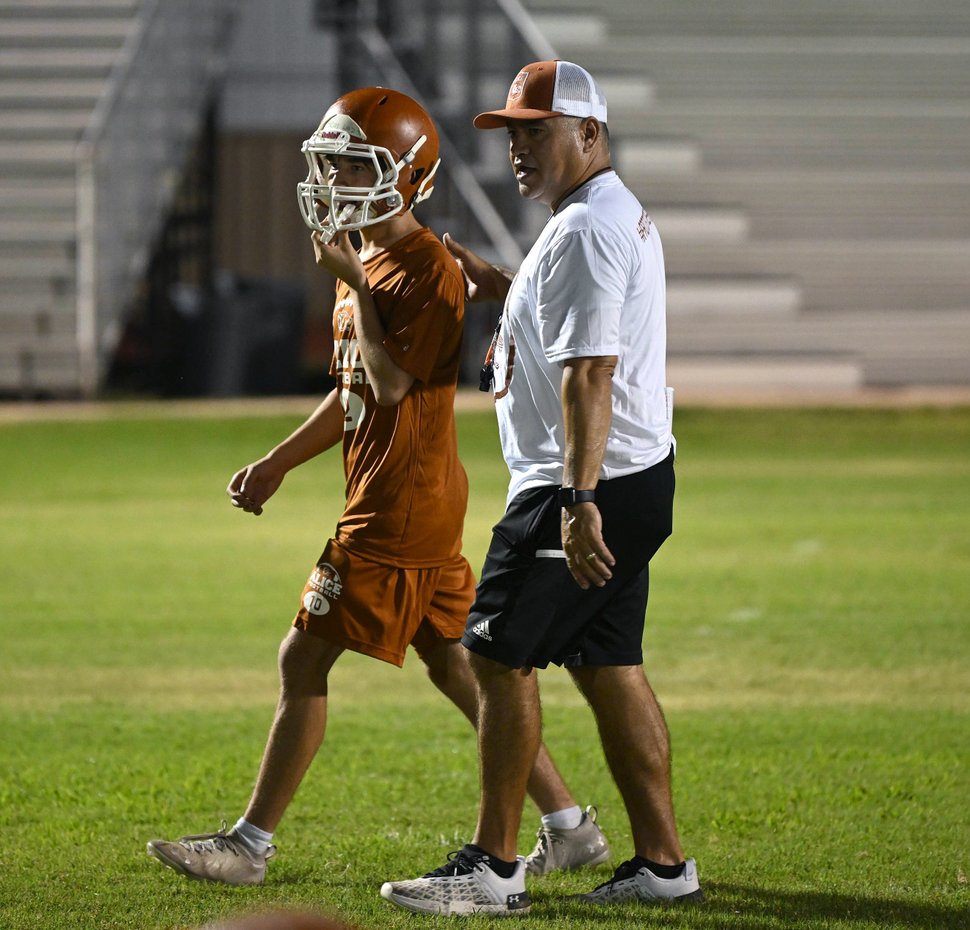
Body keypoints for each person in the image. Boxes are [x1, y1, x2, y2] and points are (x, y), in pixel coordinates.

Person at [146, 87, 607, 886]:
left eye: (354, 162)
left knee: (302, 662)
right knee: (463, 669)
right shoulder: (365, 253)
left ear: (407, 175)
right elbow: (354, 388)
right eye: (328, 161)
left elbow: (392, 386)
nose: (333, 176)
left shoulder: (419, 265)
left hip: (399, 507)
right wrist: (281, 460)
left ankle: (248, 846)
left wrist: (358, 285)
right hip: (410, 498)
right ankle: (567, 826)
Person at [379, 60, 702, 916]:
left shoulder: (586, 229)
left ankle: (492, 868)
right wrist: (499, 283)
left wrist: (577, 499)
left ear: (588, 134)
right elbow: (568, 322)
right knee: (608, 665)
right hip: (632, 475)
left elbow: (590, 372)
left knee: (494, 654)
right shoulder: (596, 215)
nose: (518, 148)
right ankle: (664, 867)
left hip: (584, 485)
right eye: (512, 133)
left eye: (537, 130)